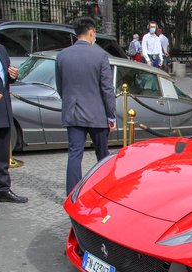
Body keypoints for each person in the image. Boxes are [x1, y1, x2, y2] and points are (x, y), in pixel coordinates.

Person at [55, 17, 116, 196]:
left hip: (73, 113)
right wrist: (111, 115)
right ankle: (105, 190)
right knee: (103, 156)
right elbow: (107, 88)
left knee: (74, 155)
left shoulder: (62, 55)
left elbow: (61, 86)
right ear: (91, 32)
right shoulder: (100, 55)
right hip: (97, 114)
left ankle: (72, 194)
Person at [0, 13, 27, 212]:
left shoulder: (0, 50)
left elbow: (5, 77)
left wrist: (12, 75)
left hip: (3, 109)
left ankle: (3, 190)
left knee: (2, 154)